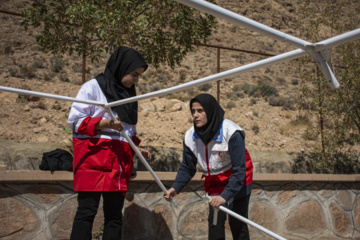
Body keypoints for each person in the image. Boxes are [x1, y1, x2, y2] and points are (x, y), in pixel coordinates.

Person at [68, 46, 151, 240]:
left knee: (114, 217)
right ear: (121, 68)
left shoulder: (131, 96)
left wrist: (135, 148)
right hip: (93, 161)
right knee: (86, 212)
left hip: (119, 164)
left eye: (139, 76)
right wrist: (106, 124)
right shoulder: (92, 88)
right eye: (134, 74)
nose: (136, 80)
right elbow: (75, 123)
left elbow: (127, 133)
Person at [164, 93, 253, 240]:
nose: (195, 115)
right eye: (193, 111)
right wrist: (175, 187)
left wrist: (225, 196)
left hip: (238, 178)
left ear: (210, 111)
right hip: (215, 182)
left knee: (238, 222)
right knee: (215, 222)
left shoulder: (232, 133)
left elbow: (239, 170)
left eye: (200, 111)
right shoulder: (190, 137)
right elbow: (188, 166)